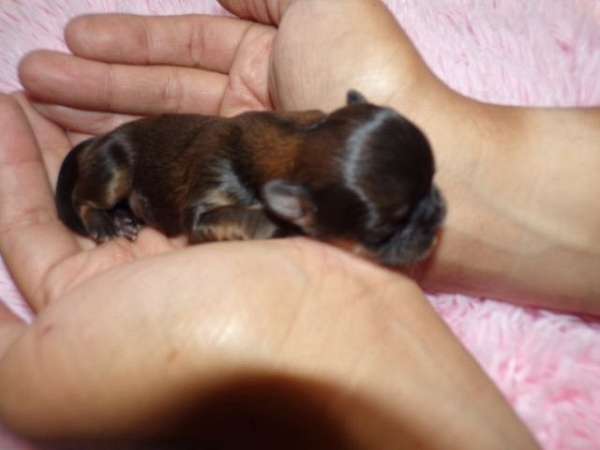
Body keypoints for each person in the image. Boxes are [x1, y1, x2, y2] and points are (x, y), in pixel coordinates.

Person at [0, 0, 597, 447]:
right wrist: (93, 216)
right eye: (395, 222)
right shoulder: (229, 179)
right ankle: (87, 203)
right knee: (105, 175)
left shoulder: (308, 130)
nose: (437, 218)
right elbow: (208, 222)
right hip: (124, 153)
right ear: (297, 209)